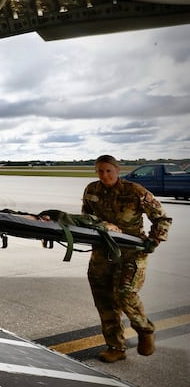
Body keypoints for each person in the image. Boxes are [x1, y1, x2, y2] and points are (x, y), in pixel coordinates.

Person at [81, 155, 172, 363]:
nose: (104, 176)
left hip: (131, 251)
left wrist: (154, 240)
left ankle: (145, 329)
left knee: (124, 294)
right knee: (104, 300)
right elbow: (86, 217)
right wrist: (100, 224)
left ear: (117, 170)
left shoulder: (135, 191)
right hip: (103, 252)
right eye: (100, 171)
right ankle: (115, 347)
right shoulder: (91, 190)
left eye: (108, 171)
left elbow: (162, 218)